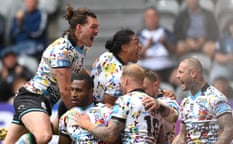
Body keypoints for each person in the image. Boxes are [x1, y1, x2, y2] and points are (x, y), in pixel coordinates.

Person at [3, 4, 99, 144]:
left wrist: (97, 81)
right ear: (79, 28)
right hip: (33, 98)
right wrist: (78, 116)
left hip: (41, 102)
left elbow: (81, 73)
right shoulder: (62, 51)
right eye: (93, 27)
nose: (97, 31)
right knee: (44, 136)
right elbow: (66, 91)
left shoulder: (78, 48)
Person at [74, 64, 177, 143]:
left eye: (121, 82)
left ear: (126, 81)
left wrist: (87, 125)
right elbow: (170, 122)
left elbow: (110, 135)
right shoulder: (153, 103)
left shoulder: (125, 100)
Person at [173, 57, 233, 144]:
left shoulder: (215, 97)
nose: (177, 76)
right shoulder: (185, 102)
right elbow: (181, 135)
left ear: (193, 74)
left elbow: (229, 131)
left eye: (181, 72)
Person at [91, 29, 141, 105]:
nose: (140, 46)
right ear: (124, 48)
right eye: (136, 43)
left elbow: (94, 65)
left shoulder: (106, 55)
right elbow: (109, 104)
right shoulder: (119, 76)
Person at [58, 73, 112, 143]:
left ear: (91, 91)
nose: (74, 94)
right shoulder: (66, 118)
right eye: (72, 90)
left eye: (79, 90)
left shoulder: (106, 112)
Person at [137, 7, 177, 86]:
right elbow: (137, 55)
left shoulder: (166, 33)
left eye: (154, 16)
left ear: (158, 18)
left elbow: (175, 51)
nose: (151, 19)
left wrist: (165, 43)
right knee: (154, 77)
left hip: (166, 66)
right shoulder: (139, 35)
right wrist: (147, 46)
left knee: (179, 76)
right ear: (145, 19)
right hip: (148, 67)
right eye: (148, 17)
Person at [143, 70, 179, 144]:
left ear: (155, 85)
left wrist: (159, 106)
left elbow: (173, 117)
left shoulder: (168, 100)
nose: (141, 92)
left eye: (144, 89)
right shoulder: (138, 100)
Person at [209, 15, 233, 83]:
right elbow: (217, 57)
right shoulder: (223, 39)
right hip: (224, 66)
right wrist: (228, 58)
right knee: (218, 75)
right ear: (232, 27)